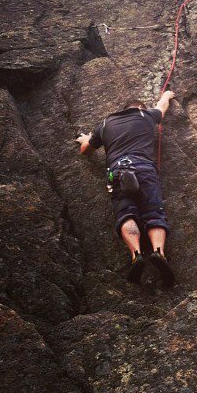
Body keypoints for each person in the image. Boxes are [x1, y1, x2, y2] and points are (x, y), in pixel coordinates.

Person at [76, 91, 176, 285]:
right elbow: (162, 107)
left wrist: (84, 140)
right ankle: (158, 253)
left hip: (119, 170)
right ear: (140, 107)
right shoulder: (145, 115)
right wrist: (166, 95)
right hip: (144, 167)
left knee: (126, 214)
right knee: (154, 213)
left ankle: (136, 255)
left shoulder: (104, 124)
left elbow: (85, 150)